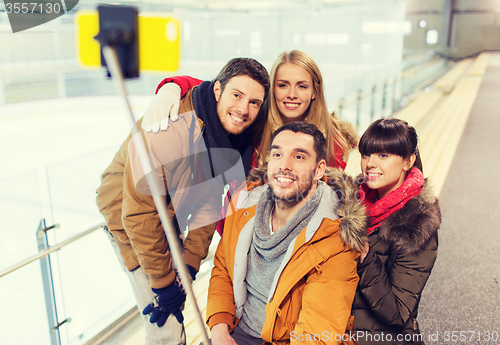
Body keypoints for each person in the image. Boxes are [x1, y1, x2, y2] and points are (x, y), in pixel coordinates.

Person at [95, 58, 270, 345]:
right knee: (167, 323)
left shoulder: (229, 136)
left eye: (254, 102)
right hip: (128, 220)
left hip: (168, 216)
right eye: (237, 95)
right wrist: (164, 285)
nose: (243, 109)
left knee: (175, 311)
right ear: (217, 91)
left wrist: (188, 265)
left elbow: (211, 201)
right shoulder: (168, 129)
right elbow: (139, 215)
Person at [206, 122, 366, 345]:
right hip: (236, 329)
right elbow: (223, 268)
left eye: (299, 157)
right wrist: (219, 328)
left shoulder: (335, 237)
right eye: (278, 154)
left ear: (319, 170)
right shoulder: (245, 206)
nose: (285, 165)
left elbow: (316, 331)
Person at [143, 50, 358, 170]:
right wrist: (171, 87)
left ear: (314, 91)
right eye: (283, 85)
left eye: (302, 86)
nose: (291, 94)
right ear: (272, 90)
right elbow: (216, 88)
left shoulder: (335, 142)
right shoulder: (254, 122)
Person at [352, 118, 441, 345]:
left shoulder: (417, 225)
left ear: (408, 161)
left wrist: (365, 256)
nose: (370, 163)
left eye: (383, 155)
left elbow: (398, 314)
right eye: (365, 154)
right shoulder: (354, 204)